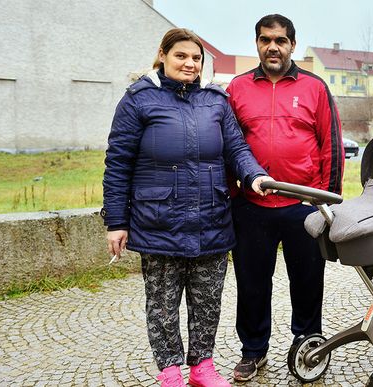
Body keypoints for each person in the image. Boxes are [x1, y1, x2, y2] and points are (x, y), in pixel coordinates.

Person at [102, 28, 273, 387]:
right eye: (181, 56)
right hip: (158, 220)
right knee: (163, 305)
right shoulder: (138, 100)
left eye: (196, 58)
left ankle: (202, 368)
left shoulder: (215, 100)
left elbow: (237, 149)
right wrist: (116, 221)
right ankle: (169, 372)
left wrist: (254, 174)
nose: (190, 64)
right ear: (162, 55)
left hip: (212, 218)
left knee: (207, 301)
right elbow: (118, 163)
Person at [226, 14, 344, 382]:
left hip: (303, 205)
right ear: (257, 44)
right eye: (265, 40)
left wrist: (328, 201)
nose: (272, 46)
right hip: (252, 206)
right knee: (251, 283)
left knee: (308, 280)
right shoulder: (237, 88)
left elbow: (332, 145)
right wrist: (234, 196)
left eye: (280, 40)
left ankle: (309, 344)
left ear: (293, 44)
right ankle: (253, 351)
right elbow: (228, 146)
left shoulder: (315, 87)